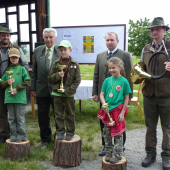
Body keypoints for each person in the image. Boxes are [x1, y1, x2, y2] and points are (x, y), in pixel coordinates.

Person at [92, 32, 133, 156]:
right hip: (105, 98)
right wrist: (95, 92)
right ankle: (106, 146)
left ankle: (120, 146)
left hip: (119, 98)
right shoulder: (100, 56)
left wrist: (129, 96)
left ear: (117, 41)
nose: (109, 42)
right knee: (104, 122)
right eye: (107, 40)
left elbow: (130, 76)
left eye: (112, 40)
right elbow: (96, 75)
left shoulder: (125, 55)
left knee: (119, 121)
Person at [139, 17, 170, 170]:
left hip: (166, 94)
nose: (154, 31)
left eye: (157, 28)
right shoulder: (145, 48)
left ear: (164, 30)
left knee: (167, 128)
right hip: (149, 93)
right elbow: (141, 69)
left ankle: (167, 157)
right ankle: (150, 154)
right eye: (152, 29)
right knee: (150, 126)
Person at [97, 57, 131, 163]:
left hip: (117, 111)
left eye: (114, 68)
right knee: (106, 133)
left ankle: (117, 154)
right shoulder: (107, 80)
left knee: (117, 134)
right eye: (110, 68)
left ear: (120, 67)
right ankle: (108, 152)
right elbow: (101, 94)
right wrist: (104, 104)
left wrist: (122, 113)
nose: (111, 70)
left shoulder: (124, 81)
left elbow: (126, 97)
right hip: (107, 111)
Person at [30, 28, 61, 147]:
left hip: (56, 88)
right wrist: (33, 88)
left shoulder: (60, 50)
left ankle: (59, 137)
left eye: (51, 37)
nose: (48, 40)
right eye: (46, 37)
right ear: (43, 38)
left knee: (57, 114)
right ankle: (45, 139)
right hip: (41, 88)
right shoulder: (38, 50)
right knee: (42, 115)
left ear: (55, 38)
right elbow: (34, 71)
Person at [0, 24, 29, 143]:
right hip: (2, 84)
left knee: (18, 114)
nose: (5, 37)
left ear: (10, 36)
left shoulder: (17, 48)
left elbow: (25, 65)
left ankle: (20, 134)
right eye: (3, 35)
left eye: (7, 35)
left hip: (15, 86)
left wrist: (19, 81)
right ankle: (4, 133)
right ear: (0, 36)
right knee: (2, 112)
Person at [48, 40, 81, 141]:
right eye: (61, 50)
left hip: (69, 94)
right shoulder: (56, 63)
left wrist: (68, 91)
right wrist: (58, 75)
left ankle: (70, 132)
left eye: (65, 50)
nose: (63, 52)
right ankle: (60, 131)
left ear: (70, 50)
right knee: (58, 113)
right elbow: (50, 77)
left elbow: (77, 80)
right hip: (57, 92)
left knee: (70, 113)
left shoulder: (75, 64)